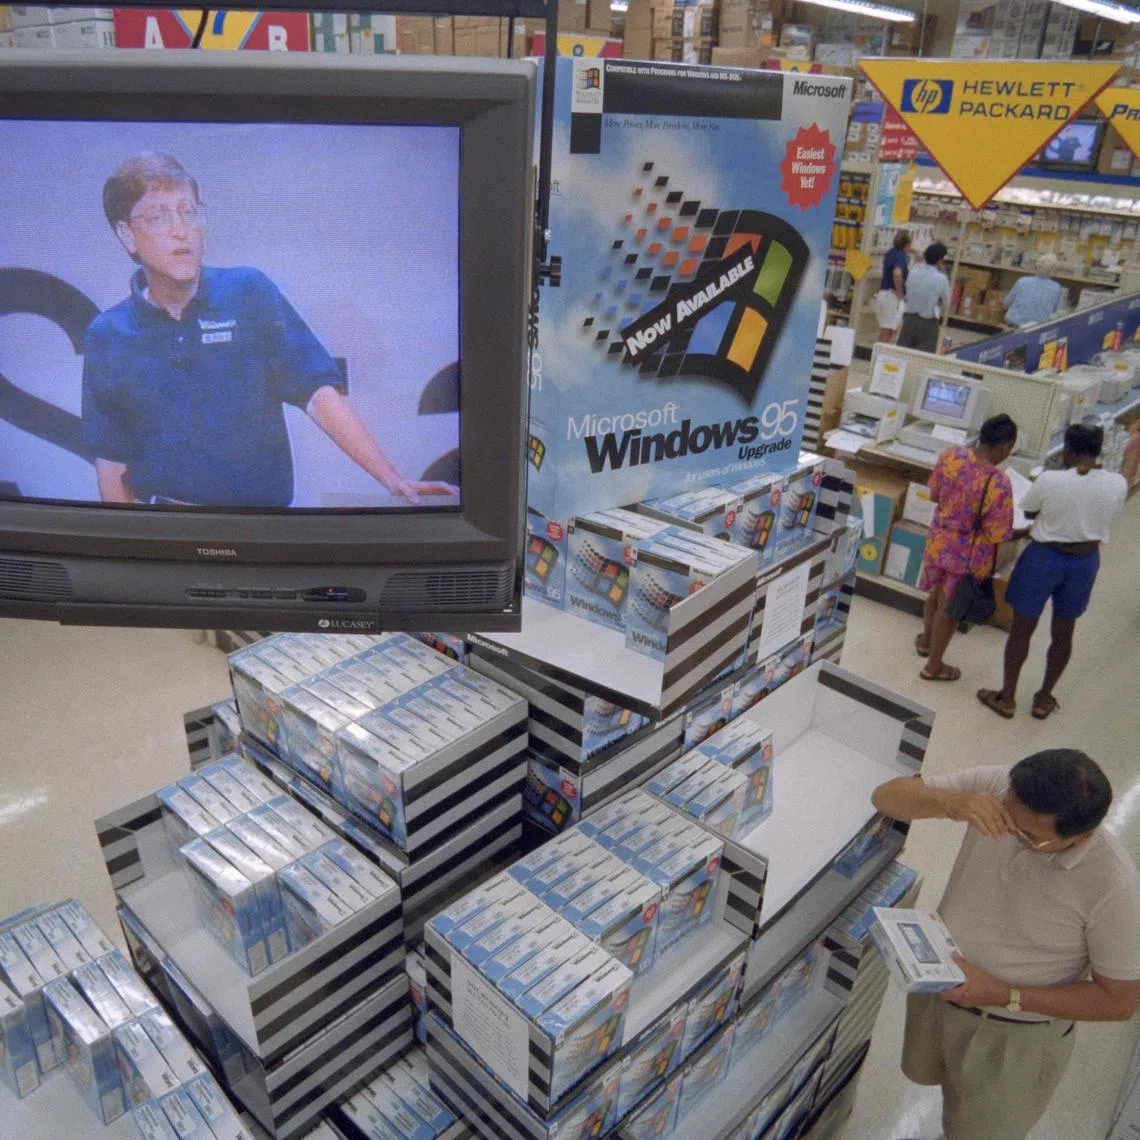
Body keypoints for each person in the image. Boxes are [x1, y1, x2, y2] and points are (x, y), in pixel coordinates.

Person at [82, 152, 456, 508]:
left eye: (188, 211)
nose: (181, 231)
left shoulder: (249, 291)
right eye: (160, 216)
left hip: (262, 528)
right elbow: (111, 461)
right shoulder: (108, 333)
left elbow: (317, 393)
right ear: (127, 234)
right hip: (168, 529)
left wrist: (391, 478)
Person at [871, 749, 1140, 1140]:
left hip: (1012, 1033)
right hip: (941, 994)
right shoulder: (998, 785)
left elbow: (1119, 1001)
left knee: (981, 1129)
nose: (1004, 830)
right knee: (930, 1076)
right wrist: (952, 803)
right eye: (1003, 815)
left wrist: (1004, 994)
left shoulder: (1114, 888)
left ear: (1079, 836)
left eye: (1027, 835)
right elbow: (885, 797)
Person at [977, 424, 1126, 721]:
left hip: (1044, 558)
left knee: (1022, 629)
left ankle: (1007, 698)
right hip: (1084, 562)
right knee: (1064, 631)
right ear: (1100, 450)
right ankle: (1044, 699)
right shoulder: (1118, 483)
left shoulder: (1051, 480)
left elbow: (1031, 512)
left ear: (1068, 450)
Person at [915, 414, 1018, 682]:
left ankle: (925, 641)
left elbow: (934, 494)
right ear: (1005, 447)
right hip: (967, 556)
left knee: (935, 595)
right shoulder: (997, 481)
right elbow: (998, 532)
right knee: (950, 611)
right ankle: (933, 667)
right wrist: (1027, 529)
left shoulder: (951, 457)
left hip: (939, 542)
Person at [897, 242, 951, 354]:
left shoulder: (913, 271)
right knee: (922, 358)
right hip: (928, 323)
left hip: (909, 319)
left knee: (902, 354)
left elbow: (907, 290)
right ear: (940, 260)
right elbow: (947, 303)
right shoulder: (942, 278)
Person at [1002, 253, 1064, 329]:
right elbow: (1057, 311)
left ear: (1037, 266)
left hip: (1013, 324)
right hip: (1037, 328)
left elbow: (1007, 302)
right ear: (1054, 270)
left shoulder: (1022, 281)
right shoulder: (1056, 287)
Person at [875, 230, 911, 344]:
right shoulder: (901, 257)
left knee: (884, 330)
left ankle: (878, 356)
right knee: (891, 332)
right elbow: (897, 273)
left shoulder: (891, 253)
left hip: (883, 294)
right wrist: (900, 292)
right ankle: (882, 358)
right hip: (892, 297)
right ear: (908, 244)